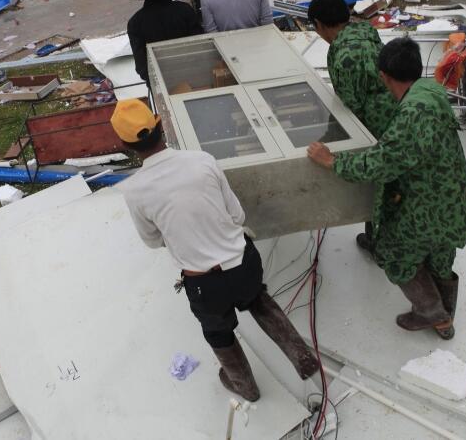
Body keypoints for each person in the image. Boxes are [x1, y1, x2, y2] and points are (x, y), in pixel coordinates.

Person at [111, 99, 319, 401]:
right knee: (258, 298)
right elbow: (237, 216)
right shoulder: (202, 160)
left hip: (205, 284)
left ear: (124, 145)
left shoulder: (134, 190)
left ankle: (245, 386)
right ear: (160, 126)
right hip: (245, 264)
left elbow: (152, 240)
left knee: (217, 331)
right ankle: (302, 356)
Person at [307, 38, 466, 339]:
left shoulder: (412, 114)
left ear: (383, 75)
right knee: (440, 255)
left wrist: (332, 161)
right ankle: (445, 316)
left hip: (429, 207)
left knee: (394, 254)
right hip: (456, 199)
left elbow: (381, 163)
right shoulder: (430, 90)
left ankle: (432, 313)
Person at [307, 0, 396, 252]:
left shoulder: (345, 55)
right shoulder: (363, 31)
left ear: (320, 24)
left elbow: (351, 109)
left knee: (380, 180)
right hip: (393, 110)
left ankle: (378, 241)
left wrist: (328, 141)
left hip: (377, 123)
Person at [124, 0, 202, 84]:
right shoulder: (184, 10)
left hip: (160, 83)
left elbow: (142, 67)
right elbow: (200, 44)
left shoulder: (135, 23)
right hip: (194, 77)